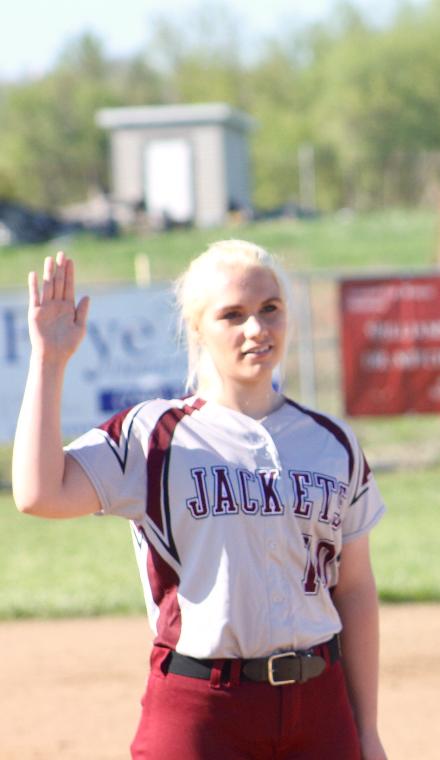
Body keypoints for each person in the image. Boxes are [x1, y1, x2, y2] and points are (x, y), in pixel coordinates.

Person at [12, 241, 388, 759]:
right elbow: (38, 493)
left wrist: (365, 728)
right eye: (232, 315)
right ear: (197, 330)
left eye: (269, 309)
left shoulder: (332, 442)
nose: (256, 328)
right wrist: (49, 362)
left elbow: (355, 589)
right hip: (203, 709)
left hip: (319, 706)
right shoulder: (155, 435)